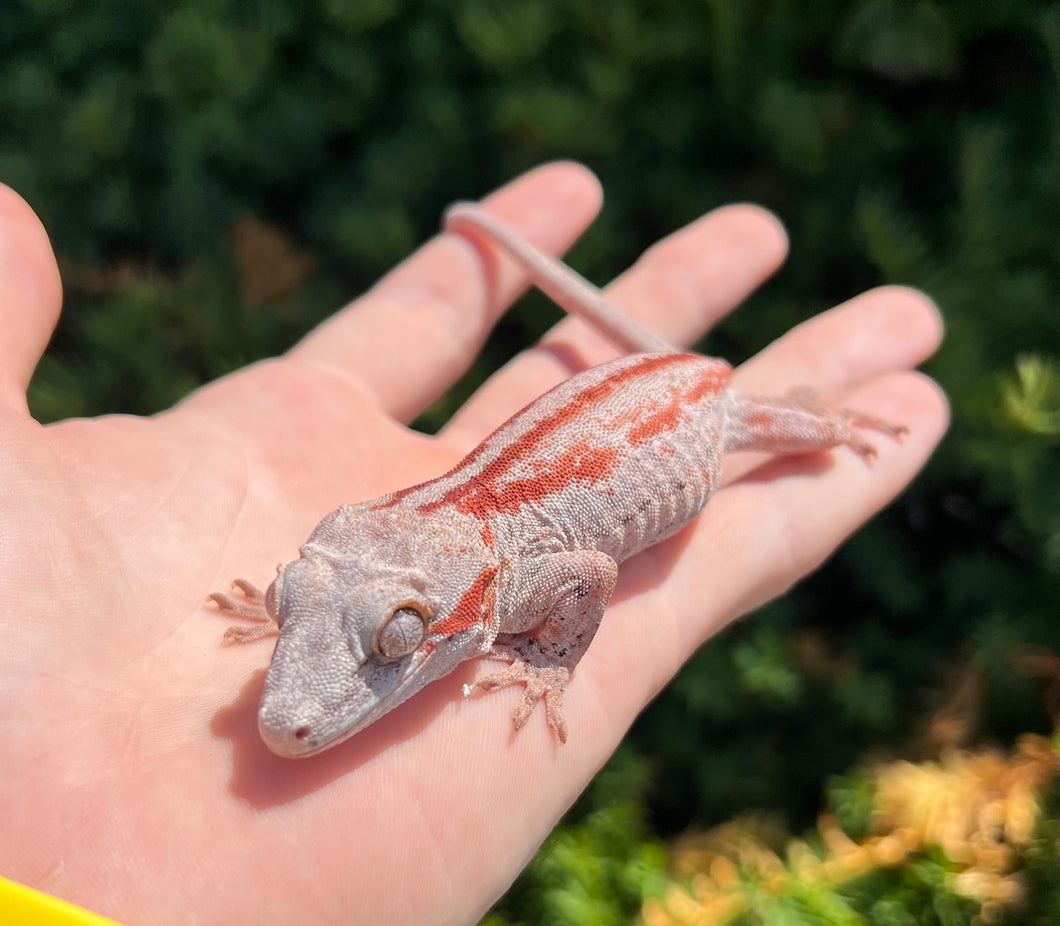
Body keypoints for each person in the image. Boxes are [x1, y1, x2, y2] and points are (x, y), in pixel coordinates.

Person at [0, 162, 947, 925]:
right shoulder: (420, 562)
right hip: (622, 395)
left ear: (469, 611)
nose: (288, 715)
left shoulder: (514, 582)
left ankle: (824, 415)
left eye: (400, 638)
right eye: (298, 601)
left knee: (825, 437)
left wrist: (546, 659)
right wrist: (304, 606)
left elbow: (588, 569)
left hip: (702, 408)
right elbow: (361, 568)